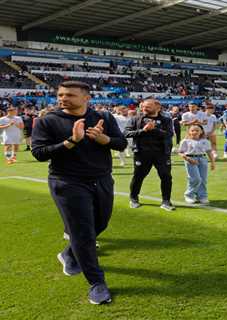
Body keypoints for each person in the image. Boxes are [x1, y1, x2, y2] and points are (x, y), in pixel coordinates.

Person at [31, 81, 127, 305]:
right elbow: (39, 153)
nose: (63, 98)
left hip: (102, 179)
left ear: (86, 97)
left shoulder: (104, 117)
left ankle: (69, 253)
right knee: (83, 233)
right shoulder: (48, 121)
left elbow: (121, 144)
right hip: (67, 182)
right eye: (61, 94)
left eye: (70, 95)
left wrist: (105, 140)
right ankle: (97, 283)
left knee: (99, 225)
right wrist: (71, 141)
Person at [124, 98, 176, 211]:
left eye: (147, 106)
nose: (144, 108)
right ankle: (133, 199)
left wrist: (155, 129)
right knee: (138, 177)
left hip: (162, 154)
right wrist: (143, 130)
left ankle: (166, 201)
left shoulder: (166, 120)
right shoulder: (135, 119)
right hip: (142, 154)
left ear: (158, 107)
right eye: (143, 106)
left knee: (166, 177)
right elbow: (126, 133)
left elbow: (169, 134)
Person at [178, 125, 216, 204]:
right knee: (195, 179)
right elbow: (180, 152)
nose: (194, 132)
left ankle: (202, 196)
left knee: (203, 179)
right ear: (189, 132)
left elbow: (209, 152)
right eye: (192, 130)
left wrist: (212, 163)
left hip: (202, 160)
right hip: (190, 160)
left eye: (197, 130)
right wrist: (188, 159)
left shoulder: (205, 141)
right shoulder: (185, 141)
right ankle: (189, 195)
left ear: (201, 132)